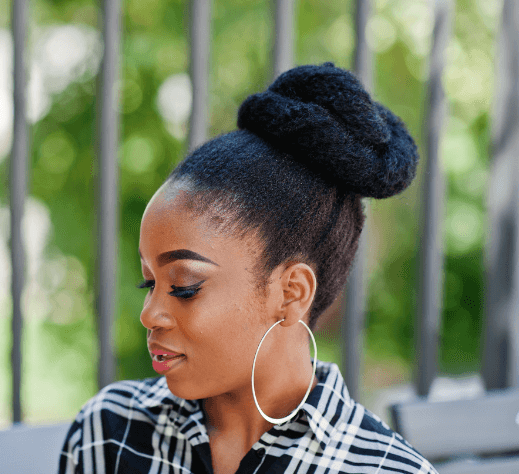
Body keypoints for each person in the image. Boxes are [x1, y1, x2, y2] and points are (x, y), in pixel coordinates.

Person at [58, 63, 437, 474]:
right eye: (148, 282)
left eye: (184, 286)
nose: (149, 313)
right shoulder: (109, 433)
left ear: (291, 293)